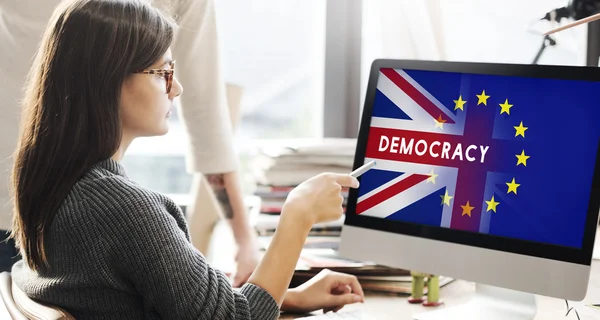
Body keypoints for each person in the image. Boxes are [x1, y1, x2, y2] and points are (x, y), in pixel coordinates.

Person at [9, 0, 365, 319]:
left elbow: (172, 299)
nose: (176, 87)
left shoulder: (53, 186)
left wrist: (287, 297)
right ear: (109, 80)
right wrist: (298, 214)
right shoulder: (123, 210)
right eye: (162, 73)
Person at [0, 0, 261, 285]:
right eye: (162, 73)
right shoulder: (132, 214)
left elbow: (206, 118)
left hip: (34, 202)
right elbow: (207, 118)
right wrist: (266, 231)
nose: (175, 88)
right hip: (44, 215)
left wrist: (243, 240)